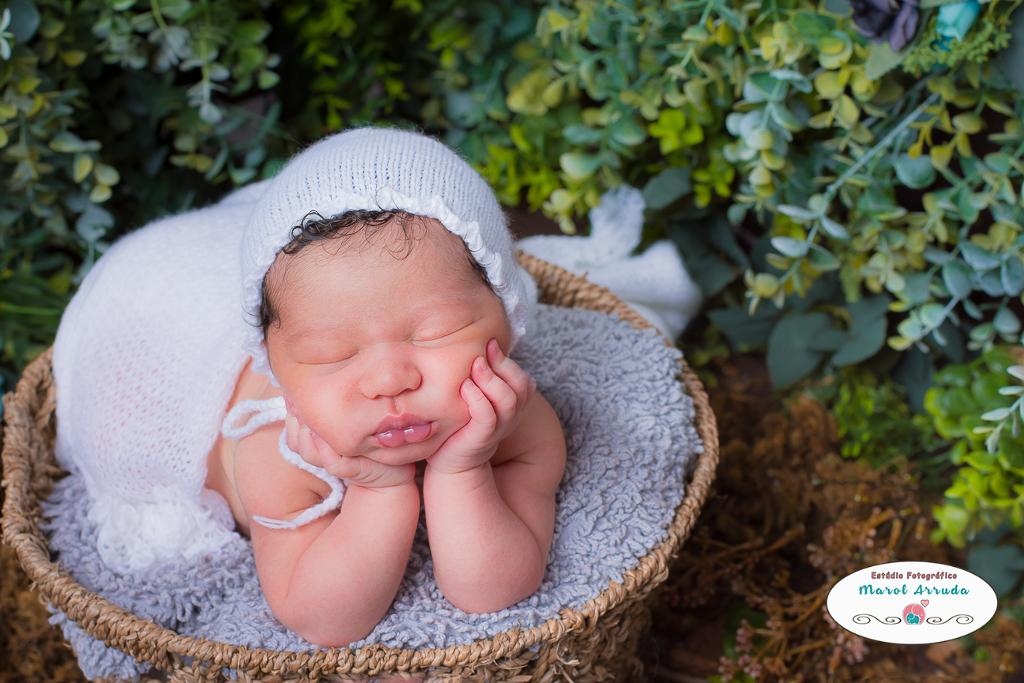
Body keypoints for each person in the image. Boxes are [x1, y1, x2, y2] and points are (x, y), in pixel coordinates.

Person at [54, 127, 566, 649]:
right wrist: (378, 489)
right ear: (278, 369)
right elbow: (323, 620)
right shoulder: (279, 447)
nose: (389, 381)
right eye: (331, 355)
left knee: (348, 280)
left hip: (333, 288)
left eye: (436, 332)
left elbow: (492, 590)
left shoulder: (514, 419)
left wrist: (463, 470)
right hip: (158, 329)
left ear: (506, 317)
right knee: (119, 407)